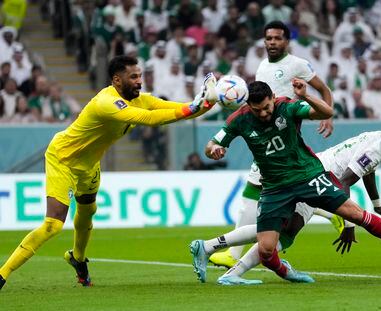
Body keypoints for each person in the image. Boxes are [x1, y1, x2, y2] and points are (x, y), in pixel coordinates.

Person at [0, 55, 218, 290]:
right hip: (62, 158)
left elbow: (178, 111)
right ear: (117, 80)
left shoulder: (141, 99)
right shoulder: (106, 102)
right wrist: (194, 106)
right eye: (133, 77)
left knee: (87, 212)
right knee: (53, 224)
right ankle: (3, 273)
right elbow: (150, 119)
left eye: (140, 76)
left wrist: (206, 104)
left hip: (89, 164)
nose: (139, 81)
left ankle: (78, 259)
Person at [190, 81, 381, 285]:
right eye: (258, 110)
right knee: (277, 239)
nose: (264, 113)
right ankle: (225, 263)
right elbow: (345, 180)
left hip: (308, 175)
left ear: (273, 98)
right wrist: (347, 225)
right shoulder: (240, 118)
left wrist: (376, 204)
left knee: (290, 230)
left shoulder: (287, 107)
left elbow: (365, 167)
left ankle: (220, 257)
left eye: (267, 107)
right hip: (292, 181)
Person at [210, 20, 337, 268]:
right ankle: (329, 212)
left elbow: (323, 88)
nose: (272, 42)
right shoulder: (262, 66)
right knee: (275, 189)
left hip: (281, 131)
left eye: (277, 38)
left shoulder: (297, 65)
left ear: (286, 41)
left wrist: (328, 116)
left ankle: (233, 255)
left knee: (251, 193)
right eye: (268, 38)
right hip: (265, 131)